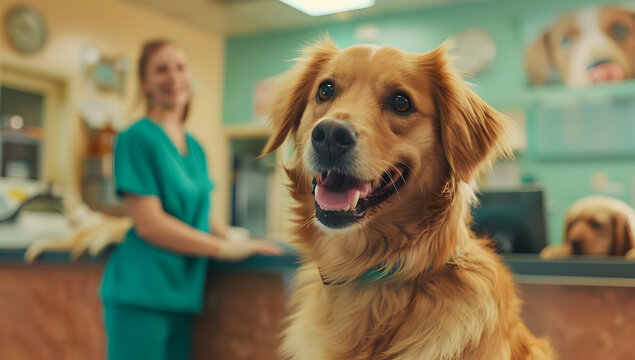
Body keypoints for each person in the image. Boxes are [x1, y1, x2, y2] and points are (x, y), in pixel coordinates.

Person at [100, 39, 281, 360]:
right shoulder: (135, 138)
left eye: (180, 67)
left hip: (184, 296)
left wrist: (240, 238)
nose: (173, 77)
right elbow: (150, 225)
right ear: (145, 85)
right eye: (161, 69)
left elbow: (202, 216)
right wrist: (221, 248)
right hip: (141, 292)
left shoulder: (196, 148)